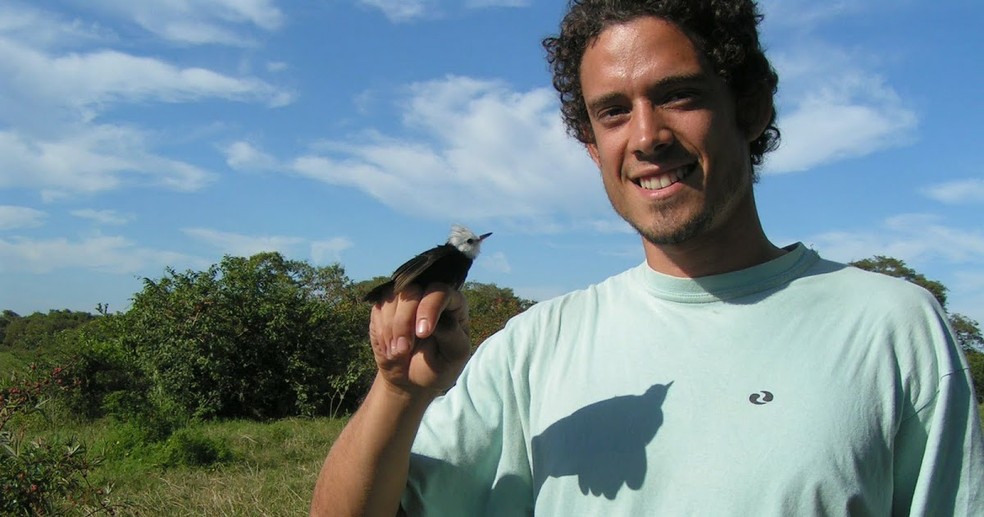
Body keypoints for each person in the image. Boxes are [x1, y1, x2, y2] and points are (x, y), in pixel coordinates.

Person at [311, 0, 984, 515]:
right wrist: (399, 392)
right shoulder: (532, 349)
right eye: (612, 112)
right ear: (590, 145)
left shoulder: (892, 328)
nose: (647, 136)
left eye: (679, 95)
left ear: (749, 107)